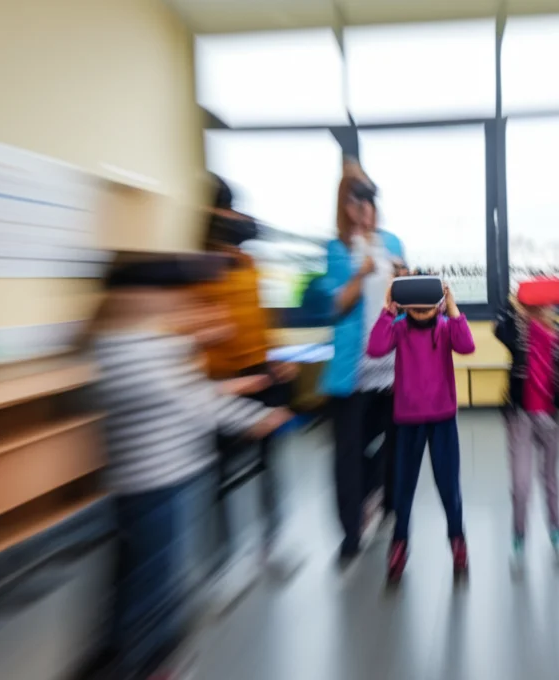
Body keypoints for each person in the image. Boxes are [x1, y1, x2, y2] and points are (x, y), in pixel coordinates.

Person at [89, 254, 292, 678]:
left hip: (140, 484)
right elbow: (192, 403)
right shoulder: (142, 348)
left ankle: (122, 657)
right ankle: (148, 663)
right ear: (142, 298)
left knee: (133, 577)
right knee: (155, 583)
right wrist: (256, 417)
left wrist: (232, 385)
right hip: (159, 485)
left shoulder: (121, 344)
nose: (178, 304)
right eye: (173, 296)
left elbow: (185, 393)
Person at [187, 174, 303, 582]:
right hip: (219, 379)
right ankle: (221, 557)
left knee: (270, 460)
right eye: (225, 209)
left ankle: (273, 542)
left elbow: (259, 315)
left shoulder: (247, 262)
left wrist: (274, 357)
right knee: (219, 470)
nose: (234, 218)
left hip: (258, 372)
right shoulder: (198, 265)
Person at [319, 159, 406, 566]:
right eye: (357, 202)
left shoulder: (392, 242)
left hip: (393, 366)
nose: (365, 209)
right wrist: (361, 273)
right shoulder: (336, 248)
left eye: (370, 201)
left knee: (393, 443)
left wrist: (405, 279)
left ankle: (386, 502)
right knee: (348, 452)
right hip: (352, 370)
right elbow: (336, 303)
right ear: (346, 206)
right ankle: (350, 533)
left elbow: (410, 303)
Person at [366, 281, 475, 583]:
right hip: (408, 420)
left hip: (442, 420)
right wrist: (388, 310)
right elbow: (375, 348)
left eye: (428, 304)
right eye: (415, 305)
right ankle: (400, 544)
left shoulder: (445, 327)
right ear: (404, 305)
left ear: (438, 304)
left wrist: (452, 307)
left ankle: (457, 541)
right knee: (403, 488)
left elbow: (467, 345)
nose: (422, 311)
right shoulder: (399, 328)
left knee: (449, 486)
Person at [492, 277, 559, 574]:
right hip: (520, 416)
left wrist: (555, 336)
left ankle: (556, 533)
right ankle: (518, 537)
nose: (550, 311)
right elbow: (500, 327)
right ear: (530, 308)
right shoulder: (516, 332)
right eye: (543, 306)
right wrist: (516, 307)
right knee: (521, 484)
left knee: (550, 479)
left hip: (550, 418)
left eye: (551, 306)